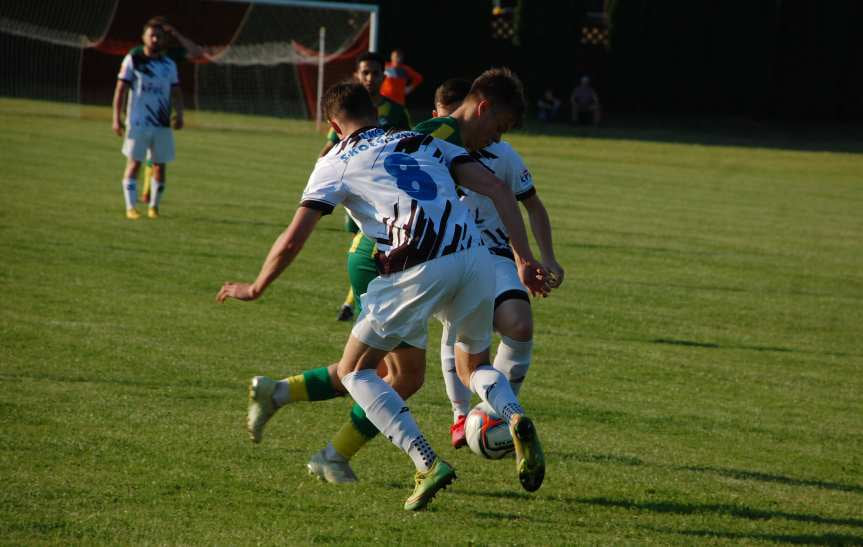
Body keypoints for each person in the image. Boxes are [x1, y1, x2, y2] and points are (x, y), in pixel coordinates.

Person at [222, 77, 549, 509]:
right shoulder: (416, 136)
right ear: (377, 114)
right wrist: (523, 258)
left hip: (411, 263)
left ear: (334, 126)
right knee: (468, 368)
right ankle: (512, 414)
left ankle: (425, 462)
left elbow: (293, 239)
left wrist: (256, 286)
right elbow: (497, 189)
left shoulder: (335, 159)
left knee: (358, 371)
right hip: (473, 257)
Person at [328, 51, 411, 321]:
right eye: (365, 72)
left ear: (383, 76)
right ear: (357, 75)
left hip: (386, 195)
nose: (370, 78)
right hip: (356, 189)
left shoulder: (396, 111)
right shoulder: (349, 108)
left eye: (375, 73)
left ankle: (353, 304)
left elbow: (408, 148)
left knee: (374, 245)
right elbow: (333, 144)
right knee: (362, 243)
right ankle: (360, 303)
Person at [112, 18, 184, 220]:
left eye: (158, 36)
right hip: (137, 123)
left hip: (161, 124)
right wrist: (116, 118)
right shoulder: (133, 60)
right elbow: (121, 90)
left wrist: (179, 114)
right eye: (151, 35)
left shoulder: (169, 65)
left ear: (163, 40)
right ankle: (131, 207)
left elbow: (176, 92)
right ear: (143, 37)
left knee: (160, 166)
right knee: (134, 163)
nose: (154, 39)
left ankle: (154, 207)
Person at [137, 18, 206, 205]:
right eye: (154, 33)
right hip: (141, 113)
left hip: (162, 112)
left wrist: (176, 34)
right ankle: (145, 194)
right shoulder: (141, 54)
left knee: (156, 158)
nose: (157, 38)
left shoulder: (171, 55)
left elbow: (196, 52)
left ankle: (148, 195)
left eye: (162, 34)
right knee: (143, 158)